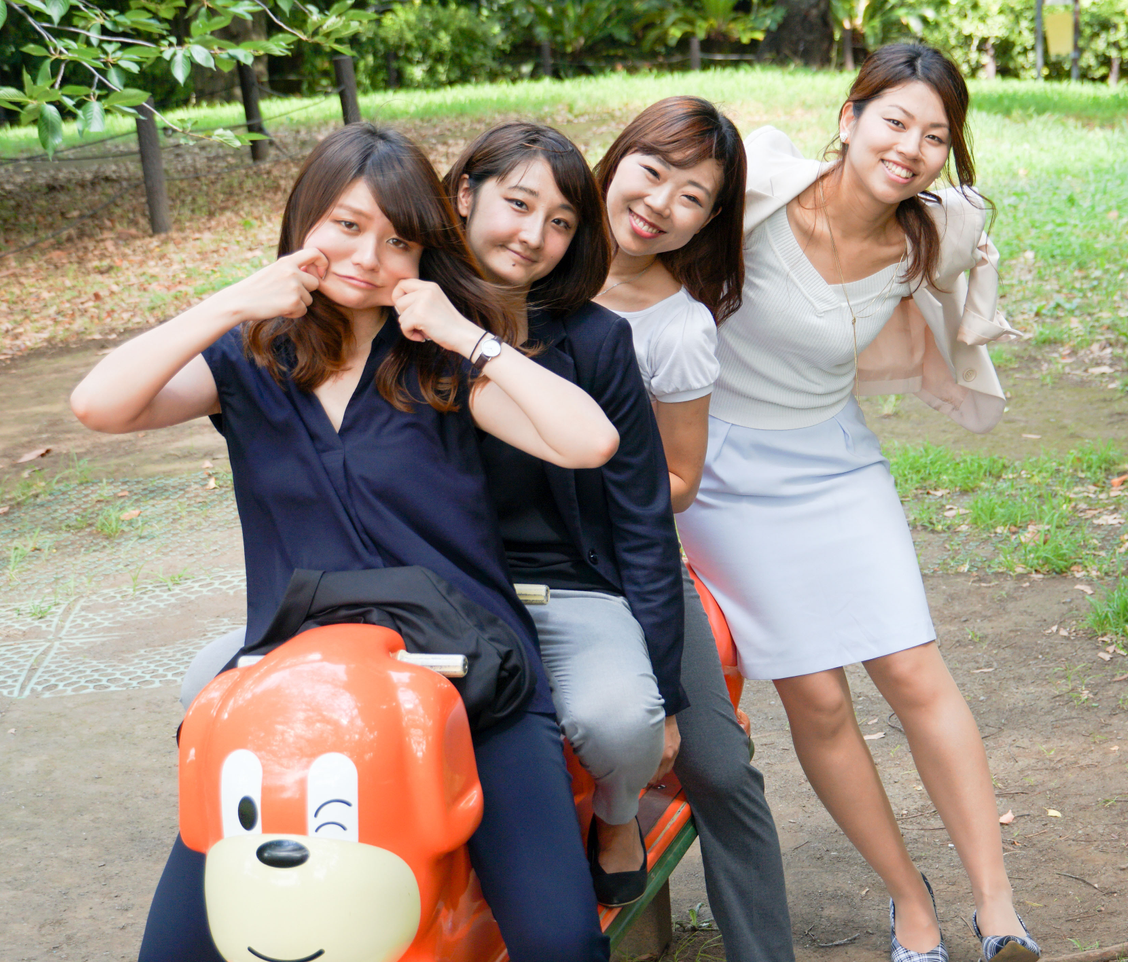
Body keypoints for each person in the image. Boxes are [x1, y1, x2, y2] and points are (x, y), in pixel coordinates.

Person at [70, 123, 616, 962]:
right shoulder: (250, 360)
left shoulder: (439, 362)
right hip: (295, 698)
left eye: (399, 241)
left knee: (560, 941)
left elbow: (589, 443)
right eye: (347, 225)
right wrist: (236, 301)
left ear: (424, 254)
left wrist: (469, 335)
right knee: (175, 951)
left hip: (470, 684)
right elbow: (97, 405)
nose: (368, 257)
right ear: (304, 225)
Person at [673, 44, 1038, 962]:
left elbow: (961, 294)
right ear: (850, 118)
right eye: (894, 121)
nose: (910, 149)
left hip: (835, 461)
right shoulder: (754, 199)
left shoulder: (930, 236)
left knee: (914, 670)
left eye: (935, 137)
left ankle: (998, 912)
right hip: (724, 474)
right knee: (819, 697)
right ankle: (910, 902)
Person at [440, 121, 680, 907]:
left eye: (561, 222)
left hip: (568, 589)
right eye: (518, 204)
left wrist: (666, 694)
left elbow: (642, 516)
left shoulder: (598, 342)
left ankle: (616, 816)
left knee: (622, 723)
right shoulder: (408, 323)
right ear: (465, 194)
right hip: (444, 591)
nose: (533, 235)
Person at [591, 97, 796, 961]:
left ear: (709, 222)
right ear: (616, 160)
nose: (659, 204)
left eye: (693, 197)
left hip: (625, 558)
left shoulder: (676, 326)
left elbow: (679, 481)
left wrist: (583, 472)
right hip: (489, 555)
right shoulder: (524, 260)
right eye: (652, 171)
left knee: (716, 763)